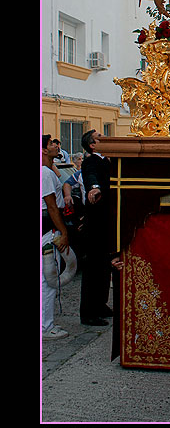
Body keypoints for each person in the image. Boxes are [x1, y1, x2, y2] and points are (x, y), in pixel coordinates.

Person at [79, 129, 114, 326]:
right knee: (93, 267)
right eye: (100, 137)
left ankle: (100, 304)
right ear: (92, 145)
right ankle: (89, 312)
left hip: (105, 220)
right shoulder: (91, 160)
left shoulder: (106, 159)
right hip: (96, 222)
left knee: (103, 265)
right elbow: (90, 176)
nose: (104, 137)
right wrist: (94, 187)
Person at [42, 135, 70, 340]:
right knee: (49, 280)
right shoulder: (43, 172)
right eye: (51, 144)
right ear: (43, 150)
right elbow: (52, 206)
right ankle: (46, 326)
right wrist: (64, 232)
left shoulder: (48, 170)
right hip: (48, 229)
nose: (55, 146)